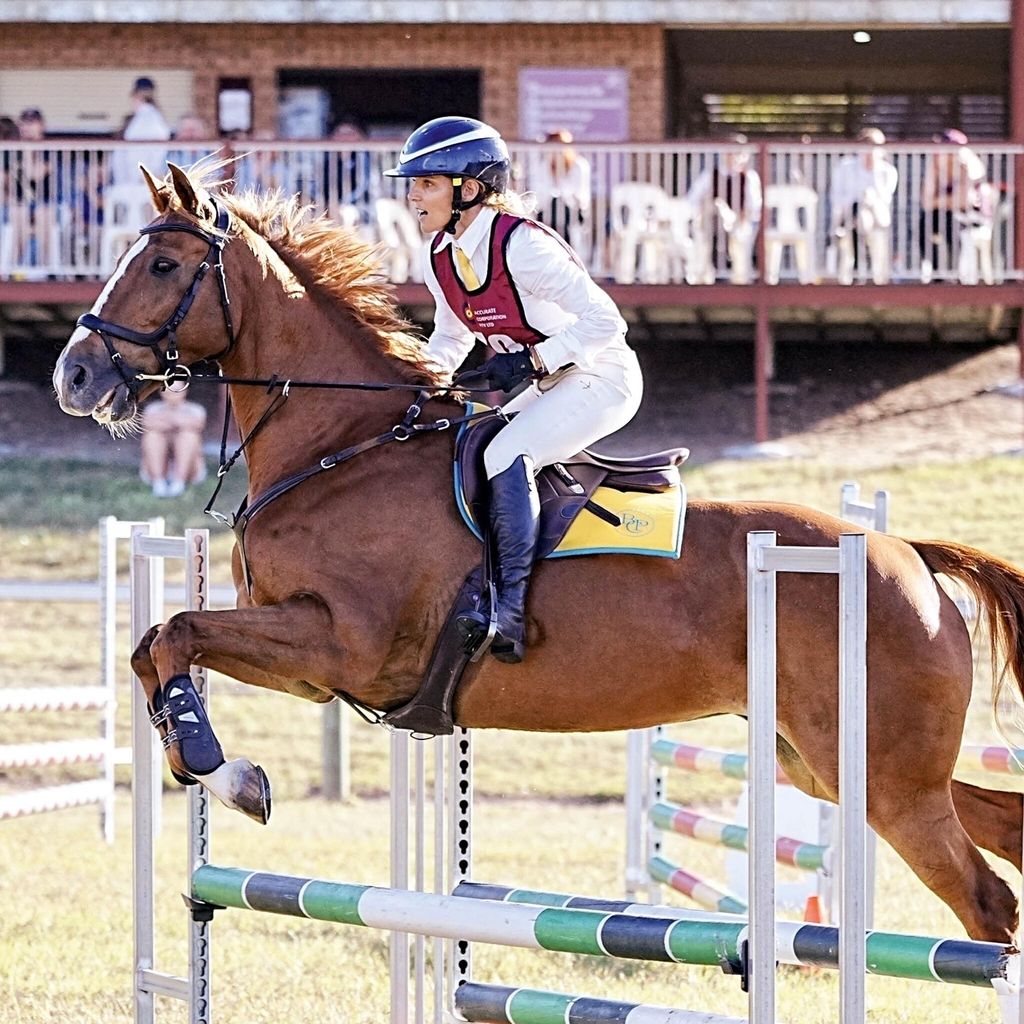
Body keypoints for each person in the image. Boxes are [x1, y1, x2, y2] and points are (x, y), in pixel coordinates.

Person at [384, 116, 643, 671]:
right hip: (544, 383)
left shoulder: (522, 246)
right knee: (465, 444)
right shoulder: (439, 255)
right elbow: (452, 337)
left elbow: (607, 321)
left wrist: (534, 358)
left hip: (601, 376)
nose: (413, 195)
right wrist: (417, 379)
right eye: (414, 183)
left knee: (505, 453)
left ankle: (510, 612)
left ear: (468, 189)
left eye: (426, 183)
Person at [685, 135, 761, 283]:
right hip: (712, 227)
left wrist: (741, 219)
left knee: (740, 237)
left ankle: (739, 278)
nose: (735, 157)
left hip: (737, 225)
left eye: (740, 153)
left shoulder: (749, 177)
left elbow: (754, 208)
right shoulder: (710, 175)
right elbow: (692, 199)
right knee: (708, 218)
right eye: (731, 152)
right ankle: (703, 275)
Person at [829, 127, 898, 285]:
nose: (871, 150)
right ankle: (861, 265)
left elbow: (885, 199)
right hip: (848, 217)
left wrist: (873, 179)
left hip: (876, 218)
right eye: (867, 144)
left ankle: (860, 266)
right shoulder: (845, 167)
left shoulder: (888, 171)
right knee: (858, 210)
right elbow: (837, 197)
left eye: (876, 145)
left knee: (864, 209)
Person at [919, 128, 988, 283]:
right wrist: (947, 200)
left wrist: (940, 200)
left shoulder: (969, 166)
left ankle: (956, 273)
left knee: (951, 223)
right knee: (925, 224)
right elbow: (926, 202)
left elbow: (963, 202)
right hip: (944, 213)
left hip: (973, 216)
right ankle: (937, 274)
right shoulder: (935, 167)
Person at [529, 129, 591, 257]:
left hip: (571, 211)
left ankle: (568, 252)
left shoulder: (578, 165)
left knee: (560, 205)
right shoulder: (542, 166)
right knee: (552, 205)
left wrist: (560, 179)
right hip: (546, 211)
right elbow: (538, 193)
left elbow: (579, 195)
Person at [139, 386, 208, 498]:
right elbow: (147, 424)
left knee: (189, 435)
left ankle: (179, 482)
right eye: (168, 391)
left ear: (184, 391)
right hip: (159, 463)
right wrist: (178, 421)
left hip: (192, 467)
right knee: (152, 435)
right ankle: (158, 482)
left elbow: (197, 425)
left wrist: (166, 421)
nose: (172, 394)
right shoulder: (153, 408)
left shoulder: (195, 409)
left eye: (176, 390)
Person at [110, 76, 171, 187]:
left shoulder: (150, 117)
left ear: (135, 96)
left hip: (139, 178)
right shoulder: (145, 116)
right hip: (132, 177)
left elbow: (154, 151)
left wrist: (144, 174)